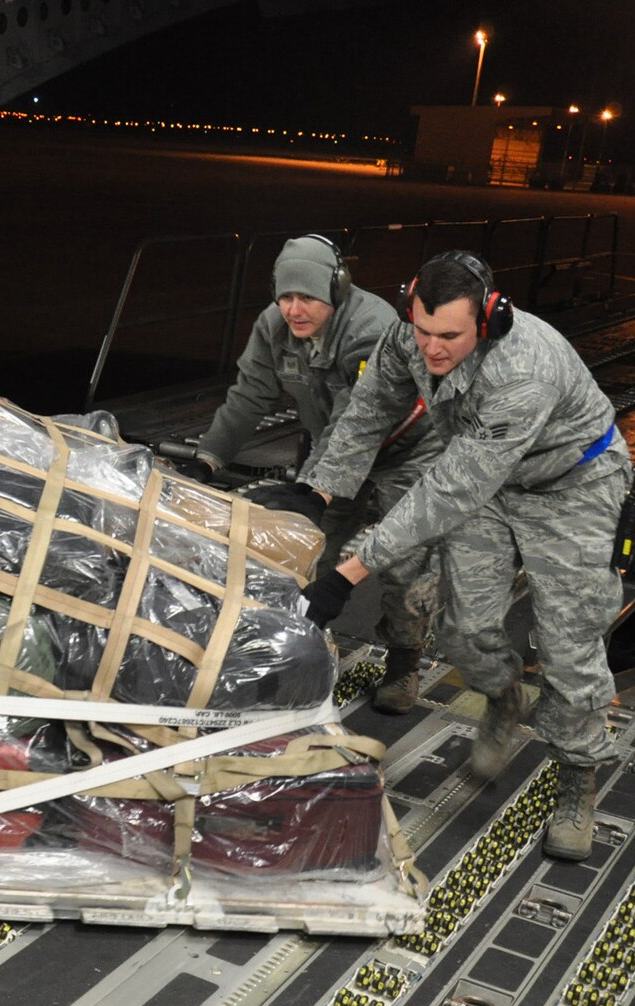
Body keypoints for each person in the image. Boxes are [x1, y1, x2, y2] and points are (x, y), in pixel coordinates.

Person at [266, 251, 630, 862]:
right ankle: (503, 696)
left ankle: (577, 775)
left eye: (449, 337)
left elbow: (454, 486)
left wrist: (347, 572)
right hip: (492, 484)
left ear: (488, 321)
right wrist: (317, 489)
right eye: (423, 331)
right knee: (464, 630)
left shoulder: (524, 369)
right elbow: (368, 411)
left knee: (568, 644)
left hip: (572, 486)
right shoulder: (410, 337)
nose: (431, 349)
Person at [184, 236, 442, 714]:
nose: (294, 310)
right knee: (307, 547)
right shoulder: (273, 327)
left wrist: (314, 487)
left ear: (337, 290)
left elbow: (358, 420)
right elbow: (249, 396)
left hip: (403, 450)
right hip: (331, 447)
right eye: (285, 296)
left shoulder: (372, 327)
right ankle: (301, 644)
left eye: (307, 298)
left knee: (406, 561)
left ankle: (405, 662)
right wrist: (208, 459)